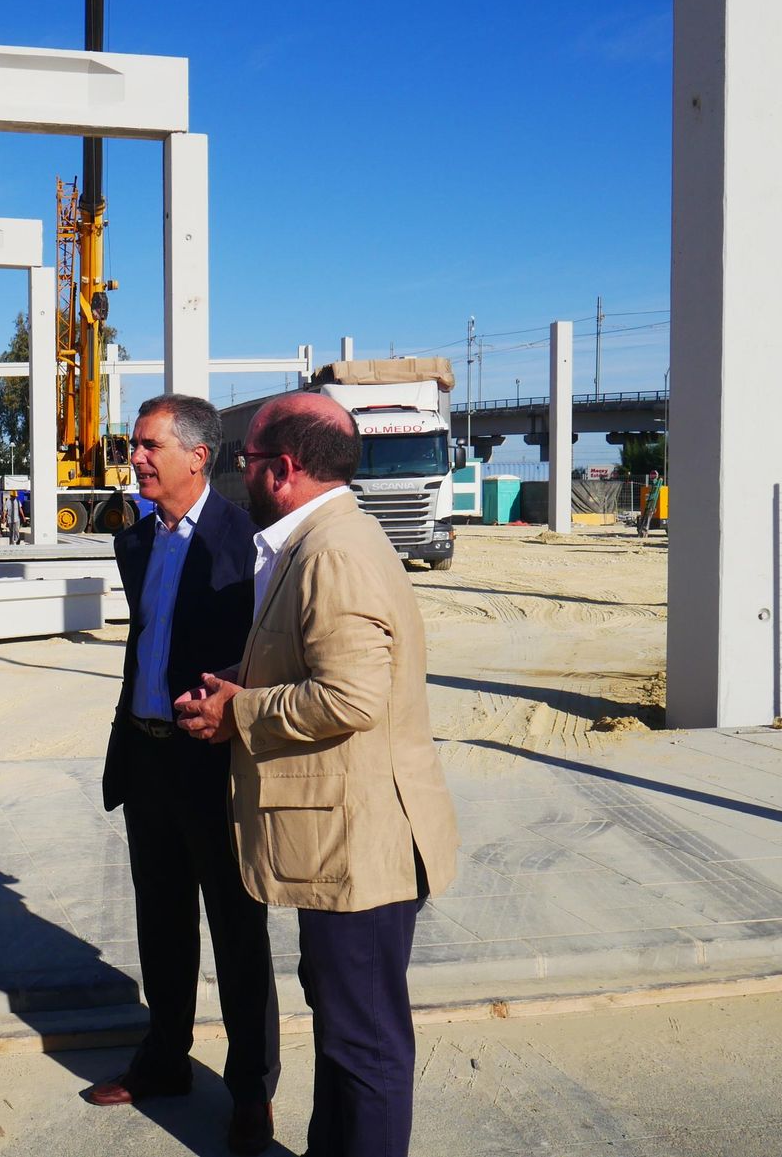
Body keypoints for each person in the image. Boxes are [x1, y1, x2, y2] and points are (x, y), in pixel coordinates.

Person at [176, 392, 460, 1157]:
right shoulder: (329, 537)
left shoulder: (332, 551)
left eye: (249, 460)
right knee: (345, 1037)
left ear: (285, 469)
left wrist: (240, 711)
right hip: (343, 843)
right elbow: (327, 663)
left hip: (360, 846)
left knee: (364, 1048)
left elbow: (351, 696)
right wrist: (247, 677)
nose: (243, 474)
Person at [89, 394, 280, 1156]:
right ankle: (164, 1058)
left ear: (198, 456)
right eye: (136, 444)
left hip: (214, 760)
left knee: (237, 931)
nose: (135, 457)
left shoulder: (249, 541)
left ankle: (251, 1091)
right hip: (146, 755)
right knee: (161, 923)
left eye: (148, 446)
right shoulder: (135, 535)